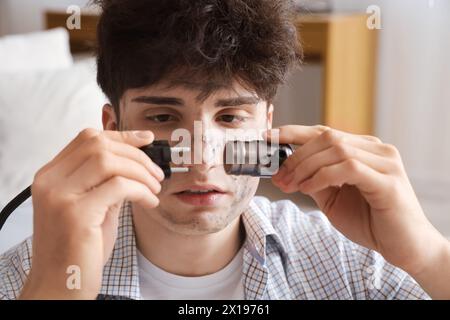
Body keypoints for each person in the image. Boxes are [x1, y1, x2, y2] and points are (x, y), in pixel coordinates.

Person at [1, 0, 449, 300]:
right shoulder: (35, 273)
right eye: (162, 118)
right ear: (113, 129)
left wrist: (428, 255)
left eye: (231, 118)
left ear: (268, 126)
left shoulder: (349, 262)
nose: (200, 159)